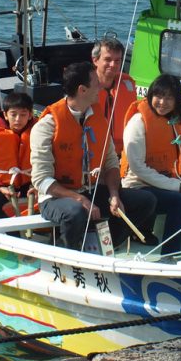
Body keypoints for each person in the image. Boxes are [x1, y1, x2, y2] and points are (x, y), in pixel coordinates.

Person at [30, 62, 156, 250]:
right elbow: (41, 180)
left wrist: (114, 195)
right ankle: (68, 257)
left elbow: (111, 162)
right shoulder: (47, 126)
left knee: (146, 201)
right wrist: (79, 199)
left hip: (90, 191)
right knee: (76, 212)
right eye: (96, 83)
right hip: (55, 198)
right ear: (82, 90)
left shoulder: (99, 118)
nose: (101, 87)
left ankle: (104, 247)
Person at [120, 74, 181, 256]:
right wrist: (177, 186)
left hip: (168, 184)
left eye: (169, 97)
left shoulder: (178, 122)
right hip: (137, 187)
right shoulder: (138, 123)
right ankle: (169, 255)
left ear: (177, 100)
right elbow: (137, 167)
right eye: (159, 96)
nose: (162, 102)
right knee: (179, 202)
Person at [0, 92, 37, 219]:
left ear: (30, 115)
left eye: (23, 114)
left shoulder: (39, 133)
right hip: (4, 185)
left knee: (54, 200)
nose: (18, 119)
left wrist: (39, 185)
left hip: (32, 183)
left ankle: (50, 235)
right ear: (5, 115)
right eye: (13, 114)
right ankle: (13, 235)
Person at [91, 38, 136, 156]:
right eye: (108, 60)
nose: (113, 65)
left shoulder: (128, 84)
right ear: (95, 60)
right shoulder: (84, 88)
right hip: (93, 153)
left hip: (122, 153)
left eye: (117, 60)